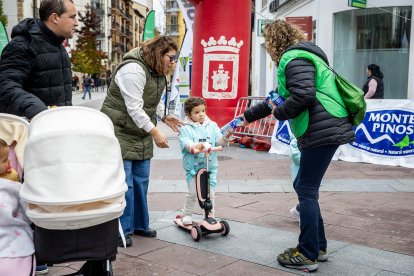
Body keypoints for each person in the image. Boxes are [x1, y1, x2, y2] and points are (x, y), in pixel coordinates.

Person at [240, 20, 355, 272]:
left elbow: (303, 95)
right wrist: (245, 117)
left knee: (305, 187)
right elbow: (277, 98)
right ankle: (318, 247)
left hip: (321, 129)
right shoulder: (302, 57)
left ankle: (307, 253)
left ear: (273, 42)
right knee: (305, 186)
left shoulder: (293, 59)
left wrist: (280, 113)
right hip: (326, 127)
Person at [101, 35, 184, 247]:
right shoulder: (133, 70)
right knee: (124, 183)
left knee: (141, 180)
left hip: (138, 130)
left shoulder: (156, 71)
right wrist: (155, 132)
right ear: (159, 54)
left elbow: (149, 101)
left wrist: (164, 116)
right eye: (171, 57)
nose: (173, 61)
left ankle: (138, 225)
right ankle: (121, 230)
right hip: (119, 129)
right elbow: (134, 107)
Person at [0, 0, 77, 121]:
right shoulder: (23, 44)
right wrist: (37, 110)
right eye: (72, 17)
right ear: (55, 18)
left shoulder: (58, 46)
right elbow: (5, 86)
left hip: (57, 129)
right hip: (33, 131)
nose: (76, 23)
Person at [179, 97, 232, 225]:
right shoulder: (186, 128)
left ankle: (210, 213)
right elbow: (185, 142)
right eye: (196, 112)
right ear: (189, 114)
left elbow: (219, 141)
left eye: (203, 110)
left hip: (210, 165)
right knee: (192, 192)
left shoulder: (212, 125)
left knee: (210, 192)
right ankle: (187, 213)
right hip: (193, 167)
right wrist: (194, 147)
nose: (201, 114)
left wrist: (226, 138)